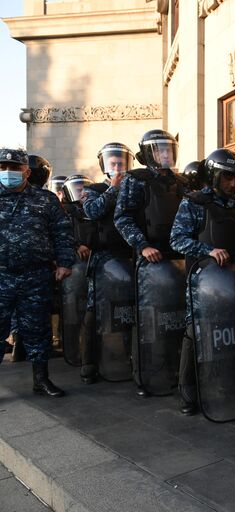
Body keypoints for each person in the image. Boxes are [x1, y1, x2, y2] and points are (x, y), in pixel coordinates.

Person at [170, 148, 235, 415]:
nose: (232, 184)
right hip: (204, 281)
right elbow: (177, 238)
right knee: (196, 331)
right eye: (227, 178)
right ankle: (188, 391)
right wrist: (206, 250)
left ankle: (228, 382)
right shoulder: (194, 203)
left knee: (233, 330)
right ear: (215, 176)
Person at [114, 129, 187, 396]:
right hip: (151, 262)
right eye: (160, 149)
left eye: (169, 148)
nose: (166, 153)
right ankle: (145, 375)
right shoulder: (136, 180)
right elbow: (122, 217)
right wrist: (142, 246)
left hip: (179, 260)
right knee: (149, 320)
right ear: (148, 154)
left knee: (177, 318)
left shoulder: (181, 181)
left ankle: (179, 373)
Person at [0, 148, 74, 397]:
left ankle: (41, 380)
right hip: (1, 276)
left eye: (13, 167)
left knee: (38, 329)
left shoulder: (46, 199)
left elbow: (62, 233)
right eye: (2, 167)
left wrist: (64, 262)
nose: (7, 172)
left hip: (36, 276)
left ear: (26, 171)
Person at [79, 142, 135, 383]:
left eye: (121, 162)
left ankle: (131, 359)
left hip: (128, 256)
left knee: (129, 309)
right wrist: (113, 189)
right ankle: (89, 363)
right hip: (102, 260)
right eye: (113, 162)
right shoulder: (94, 189)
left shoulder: (134, 188)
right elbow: (92, 211)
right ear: (104, 164)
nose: (117, 166)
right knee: (95, 312)